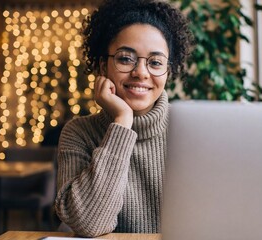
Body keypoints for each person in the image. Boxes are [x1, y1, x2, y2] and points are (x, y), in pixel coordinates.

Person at [54, 0, 194, 237]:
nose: (140, 72)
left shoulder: (191, 130)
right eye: (125, 59)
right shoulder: (78, 133)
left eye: (156, 62)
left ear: (168, 72)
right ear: (102, 66)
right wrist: (122, 121)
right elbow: (90, 224)